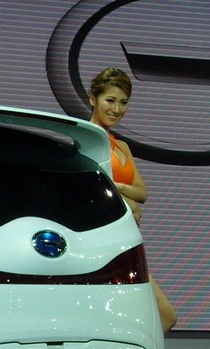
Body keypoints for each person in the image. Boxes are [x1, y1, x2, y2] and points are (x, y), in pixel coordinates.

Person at [88, 67, 177, 334]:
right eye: (110, 100)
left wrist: (115, 186)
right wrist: (126, 198)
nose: (117, 109)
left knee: (164, 317)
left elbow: (142, 193)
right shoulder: (85, 140)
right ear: (93, 98)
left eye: (123, 102)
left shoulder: (122, 147)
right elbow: (90, 191)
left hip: (125, 246)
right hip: (101, 248)